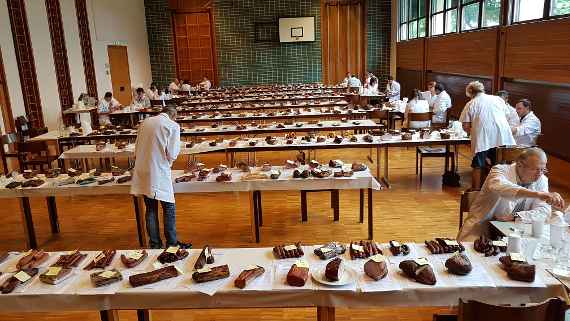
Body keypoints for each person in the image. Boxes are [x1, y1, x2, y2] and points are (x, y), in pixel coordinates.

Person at [458, 147, 565, 241]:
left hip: (516, 233)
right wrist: (538, 194)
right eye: (535, 169)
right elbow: (503, 188)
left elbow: (544, 212)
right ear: (519, 165)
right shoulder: (499, 171)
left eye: (543, 169)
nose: (539, 174)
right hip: (481, 230)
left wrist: (516, 216)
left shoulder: (542, 179)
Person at [130, 105, 191, 249]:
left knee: (150, 208)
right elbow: (173, 153)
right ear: (173, 115)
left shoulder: (145, 122)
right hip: (158, 171)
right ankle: (172, 243)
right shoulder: (173, 125)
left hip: (143, 170)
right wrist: (167, 163)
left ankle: (155, 244)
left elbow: (136, 149)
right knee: (169, 207)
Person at [459, 81, 516, 190]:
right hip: (502, 135)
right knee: (499, 164)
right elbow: (507, 115)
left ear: (470, 93)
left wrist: (471, 131)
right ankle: (497, 189)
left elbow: (465, 125)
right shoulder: (497, 99)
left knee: (478, 164)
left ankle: (475, 189)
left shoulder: (472, 103)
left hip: (483, 137)